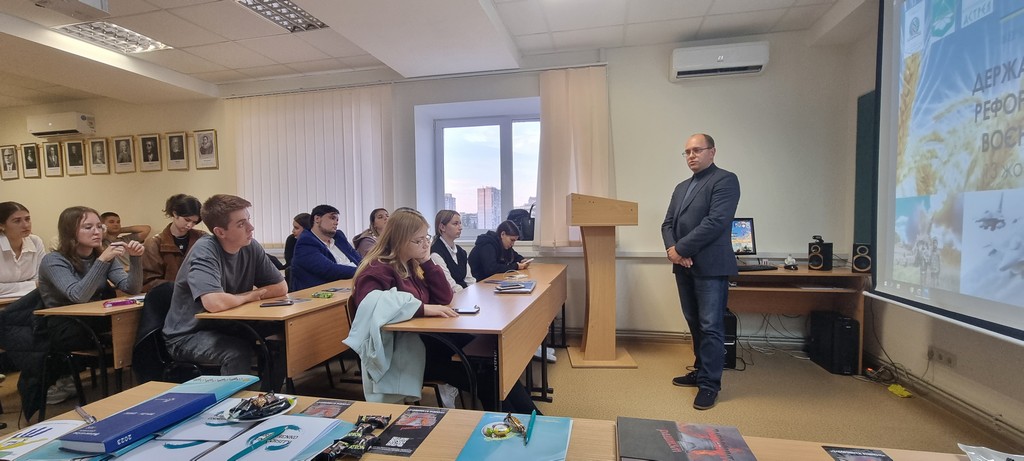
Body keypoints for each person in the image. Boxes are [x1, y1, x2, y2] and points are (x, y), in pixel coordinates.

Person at [350, 209, 540, 413]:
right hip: (406, 351)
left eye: (426, 238)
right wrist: (422, 308)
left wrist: (427, 262)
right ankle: (525, 421)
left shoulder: (412, 265)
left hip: (431, 339)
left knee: (493, 366)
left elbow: (444, 297)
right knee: (488, 377)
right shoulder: (377, 269)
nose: (425, 245)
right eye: (418, 240)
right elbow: (370, 304)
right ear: (399, 240)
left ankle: (531, 420)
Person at [162, 194, 287, 379]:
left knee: (284, 336)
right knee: (236, 352)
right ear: (220, 232)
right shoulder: (204, 250)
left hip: (228, 325)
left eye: (248, 220)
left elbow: (281, 287)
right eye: (241, 224)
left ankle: (268, 393)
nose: (251, 227)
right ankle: (238, 398)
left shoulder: (250, 246)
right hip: (187, 335)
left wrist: (243, 297)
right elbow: (214, 303)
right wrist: (250, 296)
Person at [661, 133, 740, 411]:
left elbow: (716, 222)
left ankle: (710, 384)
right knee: (694, 322)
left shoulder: (725, 180)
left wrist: (680, 249)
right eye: (687, 152)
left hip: (711, 266)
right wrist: (674, 251)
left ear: (712, 152)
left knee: (710, 326)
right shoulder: (682, 187)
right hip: (683, 265)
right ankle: (700, 370)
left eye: (697, 150)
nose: (691, 156)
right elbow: (667, 223)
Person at [37, 206, 144, 404]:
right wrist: (102, 260)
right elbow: (78, 295)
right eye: (88, 227)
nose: (97, 232)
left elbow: (132, 288)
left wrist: (135, 258)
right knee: (122, 330)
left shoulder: (101, 256)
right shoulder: (53, 261)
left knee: (139, 321)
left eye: (99, 226)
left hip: (97, 321)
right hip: (66, 325)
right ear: (70, 231)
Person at [141, 194, 206, 291]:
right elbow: (149, 282)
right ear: (175, 214)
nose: (190, 225)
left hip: (198, 294)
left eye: (194, 222)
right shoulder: (154, 243)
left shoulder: (202, 238)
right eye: (187, 220)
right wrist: (180, 286)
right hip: (167, 296)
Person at [291, 205, 362, 291]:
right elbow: (329, 270)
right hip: (322, 293)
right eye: (332, 218)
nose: (336, 223)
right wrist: (362, 271)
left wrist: (369, 269)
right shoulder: (306, 242)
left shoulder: (339, 237)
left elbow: (359, 260)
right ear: (317, 219)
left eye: (337, 220)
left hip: (353, 285)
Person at [1, 202, 46, 297]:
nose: (26, 225)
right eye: (17, 221)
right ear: (2, 225)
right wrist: (33, 285)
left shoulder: (35, 241)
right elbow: (38, 284)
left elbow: (43, 279)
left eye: (27, 219)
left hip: (32, 298)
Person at [429, 210, 475, 292]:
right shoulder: (435, 253)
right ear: (442, 227)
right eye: (455, 224)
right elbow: (451, 286)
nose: (460, 227)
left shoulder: (461, 252)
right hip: (452, 297)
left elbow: (469, 280)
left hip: (464, 294)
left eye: (460, 223)